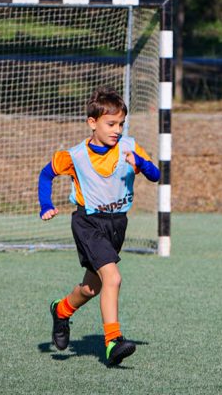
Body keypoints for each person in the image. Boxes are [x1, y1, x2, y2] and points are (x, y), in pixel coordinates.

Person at [38, 87, 160, 366]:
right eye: (111, 124)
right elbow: (46, 174)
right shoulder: (75, 155)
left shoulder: (129, 147)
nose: (117, 130)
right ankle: (112, 341)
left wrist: (139, 162)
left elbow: (155, 174)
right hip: (88, 222)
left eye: (121, 124)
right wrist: (46, 205)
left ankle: (61, 310)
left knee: (91, 288)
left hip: (117, 224)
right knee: (113, 278)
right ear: (92, 122)